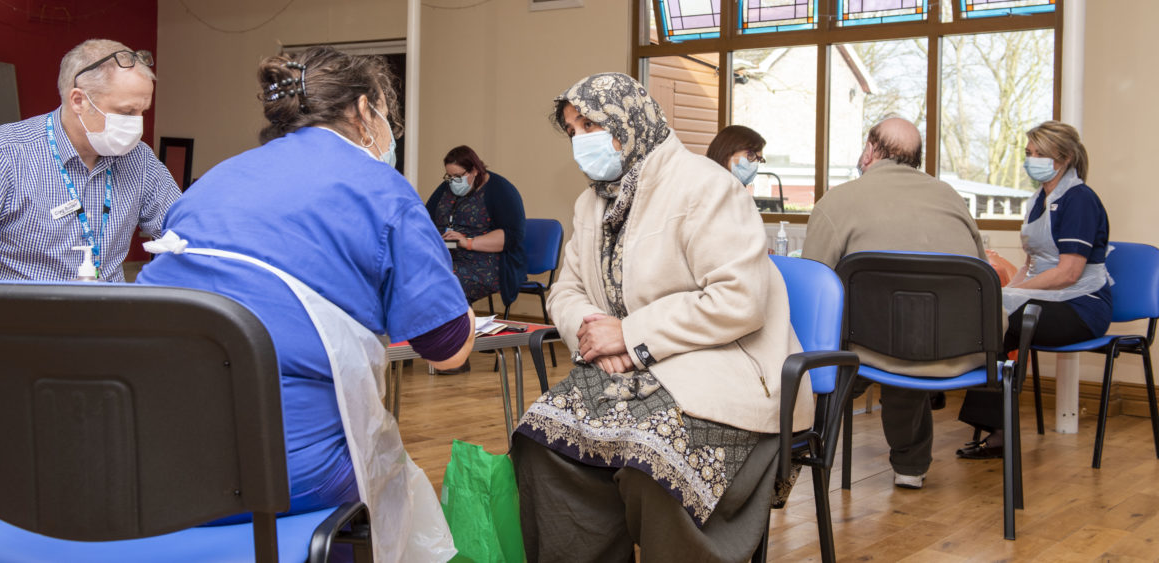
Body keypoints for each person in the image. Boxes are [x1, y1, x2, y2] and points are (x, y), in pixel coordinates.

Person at [137, 46, 473, 561]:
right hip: (283, 473)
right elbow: (446, 349)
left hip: (147, 456)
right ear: (366, 111)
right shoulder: (383, 190)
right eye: (386, 114)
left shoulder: (212, 183)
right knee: (392, 484)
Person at [511, 73, 813, 563]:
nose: (580, 139)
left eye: (590, 123)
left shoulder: (705, 186)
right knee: (540, 441)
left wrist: (629, 336)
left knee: (652, 462)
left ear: (629, 120)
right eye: (572, 129)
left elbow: (740, 300)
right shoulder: (591, 201)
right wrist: (595, 333)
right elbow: (566, 289)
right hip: (633, 365)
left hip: (727, 369)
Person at [801, 117, 986, 490]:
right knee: (911, 333)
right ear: (915, 159)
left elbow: (813, 284)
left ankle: (800, 449)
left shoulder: (839, 200)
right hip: (957, 349)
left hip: (871, 349)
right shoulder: (952, 198)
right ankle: (910, 466)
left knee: (844, 346)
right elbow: (980, 273)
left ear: (870, 150)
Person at [0, 39, 180, 282]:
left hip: (106, 314)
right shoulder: (1, 154)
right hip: (15, 316)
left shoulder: (139, 159)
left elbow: (183, 229)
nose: (138, 123)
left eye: (143, 112)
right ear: (79, 101)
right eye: (127, 112)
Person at [956, 121, 1111, 459]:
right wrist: (1006, 295)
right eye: (1029, 153)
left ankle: (998, 433)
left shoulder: (1079, 200)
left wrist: (1013, 296)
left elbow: (1069, 273)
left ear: (1065, 157)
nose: (1032, 160)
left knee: (1010, 319)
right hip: (1048, 298)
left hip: (1083, 306)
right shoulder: (1038, 200)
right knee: (990, 315)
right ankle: (994, 429)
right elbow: (1030, 264)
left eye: (1041, 154)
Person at [425, 145, 526, 307]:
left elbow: (512, 236)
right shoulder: (446, 188)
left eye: (458, 176)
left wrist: (468, 242)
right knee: (413, 277)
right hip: (446, 258)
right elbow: (425, 220)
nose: (453, 181)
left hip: (484, 263)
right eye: (449, 176)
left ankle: (459, 329)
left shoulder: (500, 189)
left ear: (474, 170)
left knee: (442, 284)